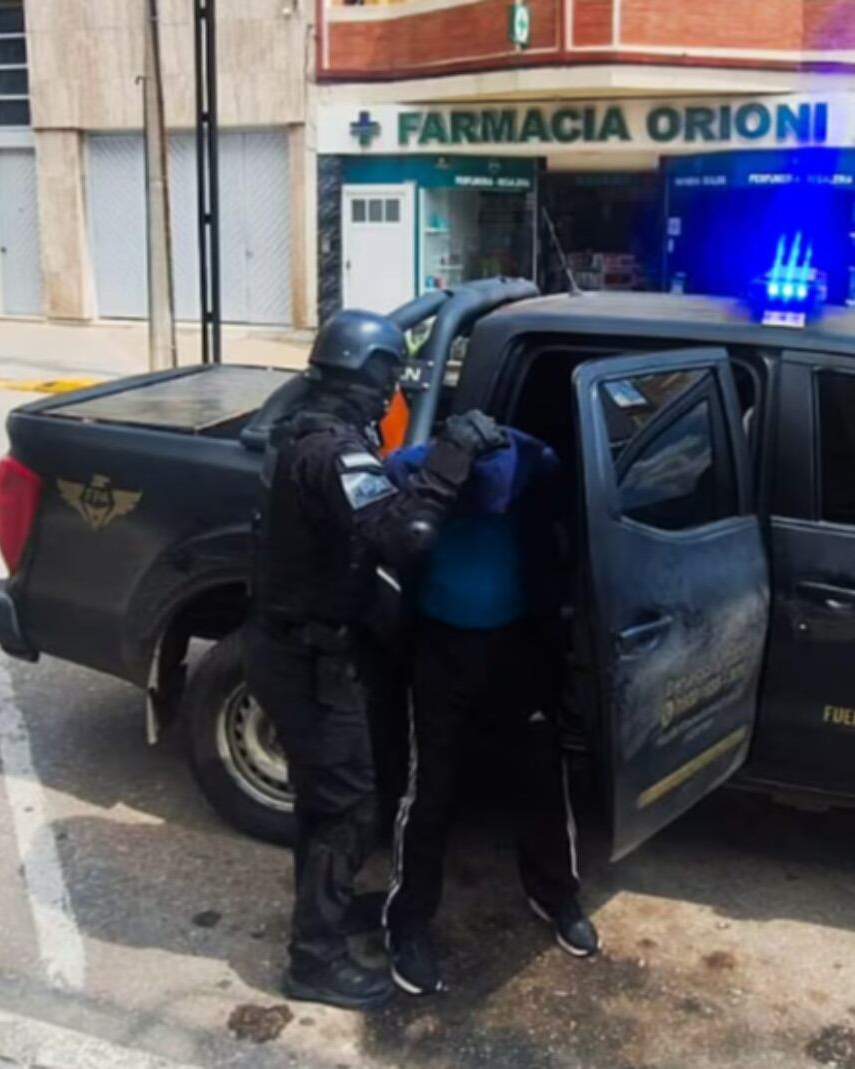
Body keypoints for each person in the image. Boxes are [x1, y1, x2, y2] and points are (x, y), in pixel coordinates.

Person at [245, 309, 503, 1009]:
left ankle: (323, 913)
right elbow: (407, 533)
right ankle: (312, 960)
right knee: (348, 808)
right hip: (307, 658)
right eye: (389, 375)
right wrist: (452, 455)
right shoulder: (332, 452)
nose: (393, 390)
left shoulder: (307, 431)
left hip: (297, 646)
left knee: (325, 798)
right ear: (367, 375)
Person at [380, 420, 599, 996]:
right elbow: (391, 476)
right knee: (429, 791)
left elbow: (556, 483)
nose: (489, 505)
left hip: (517, 647)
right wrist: (444, 471)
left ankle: (556, 894)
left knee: (541, 778)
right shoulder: (427, 474)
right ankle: (407, 928)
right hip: (438, 650)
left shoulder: (531, 467)